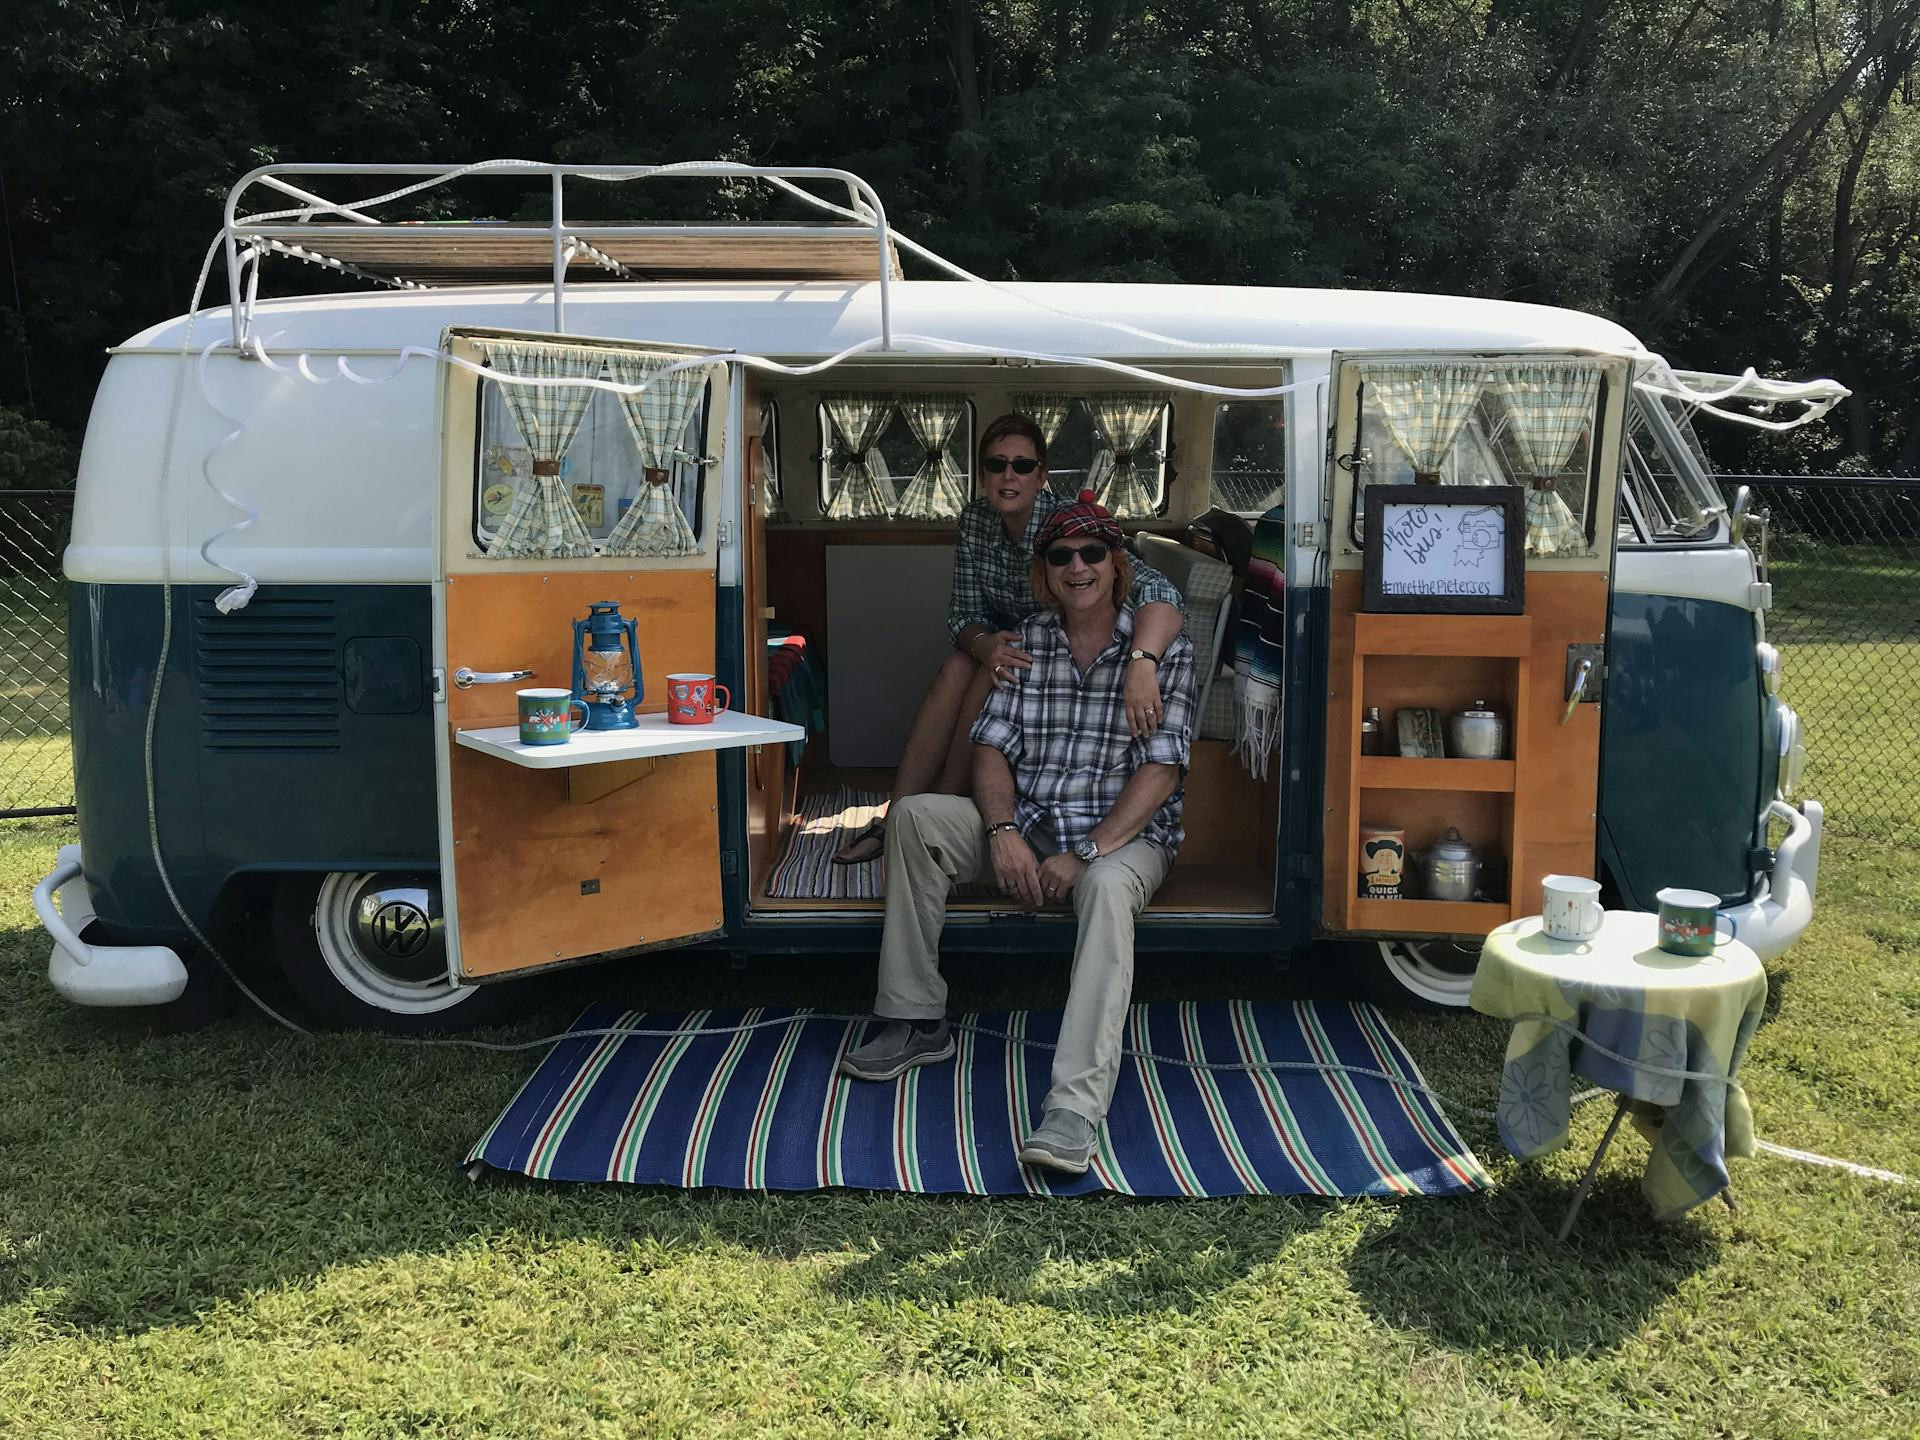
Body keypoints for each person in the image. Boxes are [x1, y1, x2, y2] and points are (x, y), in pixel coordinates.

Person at [838, 491, 1196, 1175]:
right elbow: (990, 747)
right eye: (1060, 556)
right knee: (915, 817)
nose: (1077, 566)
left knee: (1108, 891)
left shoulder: (1160, 654)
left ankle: (1073, 1109)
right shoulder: (1026, 643)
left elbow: (1163, 772)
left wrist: (1086, 852)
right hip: (1029, 823)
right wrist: (1001, 830)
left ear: (1117, 565)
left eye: (1092, 552)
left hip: (1119, 840)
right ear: (1044, 572)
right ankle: (916, 1019)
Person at [833, 412, 1186, 863]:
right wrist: (984, 645)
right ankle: (897, 818)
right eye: (996, 465)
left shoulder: (1067, 524)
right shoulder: (975, 521)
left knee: (990, 671)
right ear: (982, 474)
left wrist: (1142, 660)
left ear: (1042, 474)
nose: (1008, 475)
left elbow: (1159, 591)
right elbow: (963, 616)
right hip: (1012, 650)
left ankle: (939, 812)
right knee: (960, 665)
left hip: (1058, 655)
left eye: (1022, 465)